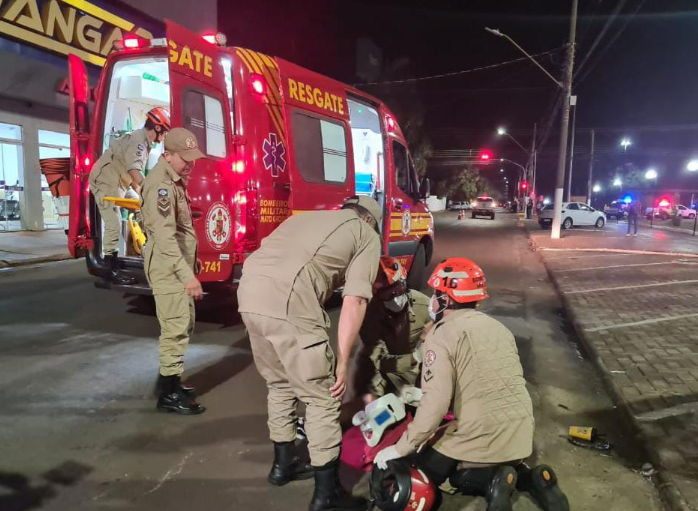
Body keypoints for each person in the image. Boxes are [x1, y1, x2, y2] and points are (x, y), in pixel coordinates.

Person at [374, 258, 569, 511]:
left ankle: (493, 481)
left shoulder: (441, 334)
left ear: (445, 299)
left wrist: (401, 448)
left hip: (480, 430)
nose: (432, 299)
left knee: (438, 471)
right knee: (457, 439)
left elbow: (436, 405)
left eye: (436, 294)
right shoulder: (499, 328)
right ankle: (529, 477)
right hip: (521, 432)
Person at [238, 196, 382, 511]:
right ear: (370, 220)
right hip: (289, 300)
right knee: (322, 397)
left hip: (248, 292)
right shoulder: (365, 234)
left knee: (279, 385)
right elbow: (355, 300)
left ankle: (283, 465)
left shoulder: (306, 217)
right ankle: (326, 497)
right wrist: (342, 362)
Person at [140, 127, 206, 415]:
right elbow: (165, 237)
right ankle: (167, 395)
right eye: (185, 158)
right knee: (176, 328)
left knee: (183, 323)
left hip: (175, 262)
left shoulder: (173, 179)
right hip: (168, 267)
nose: (189, 163)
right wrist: (186, 274)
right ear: (167, 155)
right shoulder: (161, 186)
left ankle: (170, 382)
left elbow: (180, 229)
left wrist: (194, 261)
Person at [89, 107, 171, 284]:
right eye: (164, 132)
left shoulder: (144, 141)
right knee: (114, 223)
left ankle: (152, 247)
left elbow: (134, 173)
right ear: (157, 128)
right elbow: (134, 170)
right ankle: (109, 269)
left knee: (144, 206)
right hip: (105, 182)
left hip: (121, 182)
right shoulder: (138, 141)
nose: (164, 136)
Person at [355, 257, 431, 404]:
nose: (395, 298)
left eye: (399, 289)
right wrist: (415, 357)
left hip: (421, 373)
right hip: (388, 373)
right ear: (376, 294)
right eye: (387, 294)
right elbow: (377, 362)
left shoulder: (424, 306)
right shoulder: (370, 317)